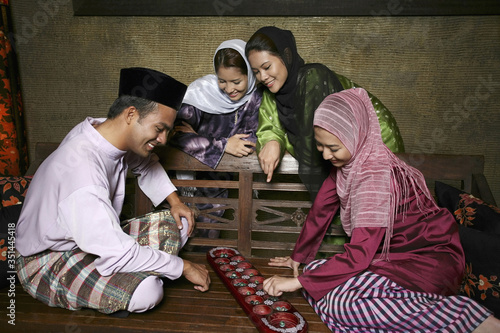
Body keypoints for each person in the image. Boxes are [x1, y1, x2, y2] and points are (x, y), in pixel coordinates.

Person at [262, 88, 500, 332]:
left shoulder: (373, 176)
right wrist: (299, 258)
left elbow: (360, 254)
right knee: (318, 278)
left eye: (332, 147)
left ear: (356, 134)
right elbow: (321, 210)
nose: (325, 154)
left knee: (339, 302)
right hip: (390, 260)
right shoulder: (349, 164)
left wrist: (297, 282)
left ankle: (468, 318)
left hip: (427, 262)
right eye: (320, 146)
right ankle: (412, 311)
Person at [15, 67, 211, 316]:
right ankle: (133, 280)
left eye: (167, 132)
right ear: (131, 114)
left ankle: (134, 271)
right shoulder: (84, 173)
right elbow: (117, 251)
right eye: (159, 129)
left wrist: (174, 202)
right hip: (48, 259)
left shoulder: (104, 132)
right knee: (148, 292)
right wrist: (183, 267)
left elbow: (145, 163)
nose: (163, 140)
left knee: (178, 223)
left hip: (91, 239)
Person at [245, 26, 405, 201]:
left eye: (267, 67)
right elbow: (270, 125)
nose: (263, 76)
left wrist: (323, 209)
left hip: (374, 141)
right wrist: (272, 141)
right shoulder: (272, 92)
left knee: (372, 206)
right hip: (338, 155)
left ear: (287, 56)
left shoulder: (313, 78)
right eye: (256, 72)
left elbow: (313, 149)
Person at [169, 39, 261, 239]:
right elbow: (174, 134)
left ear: (250, 76)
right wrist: (224, 144)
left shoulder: (256, 97)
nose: (229, 89)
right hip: (193, 184)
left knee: (213, 247)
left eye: (237, 82)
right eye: (222, 80)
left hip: (229, 185)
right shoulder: (201, 92)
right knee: (181, 237)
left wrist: (199, 139)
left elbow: (249, 142)